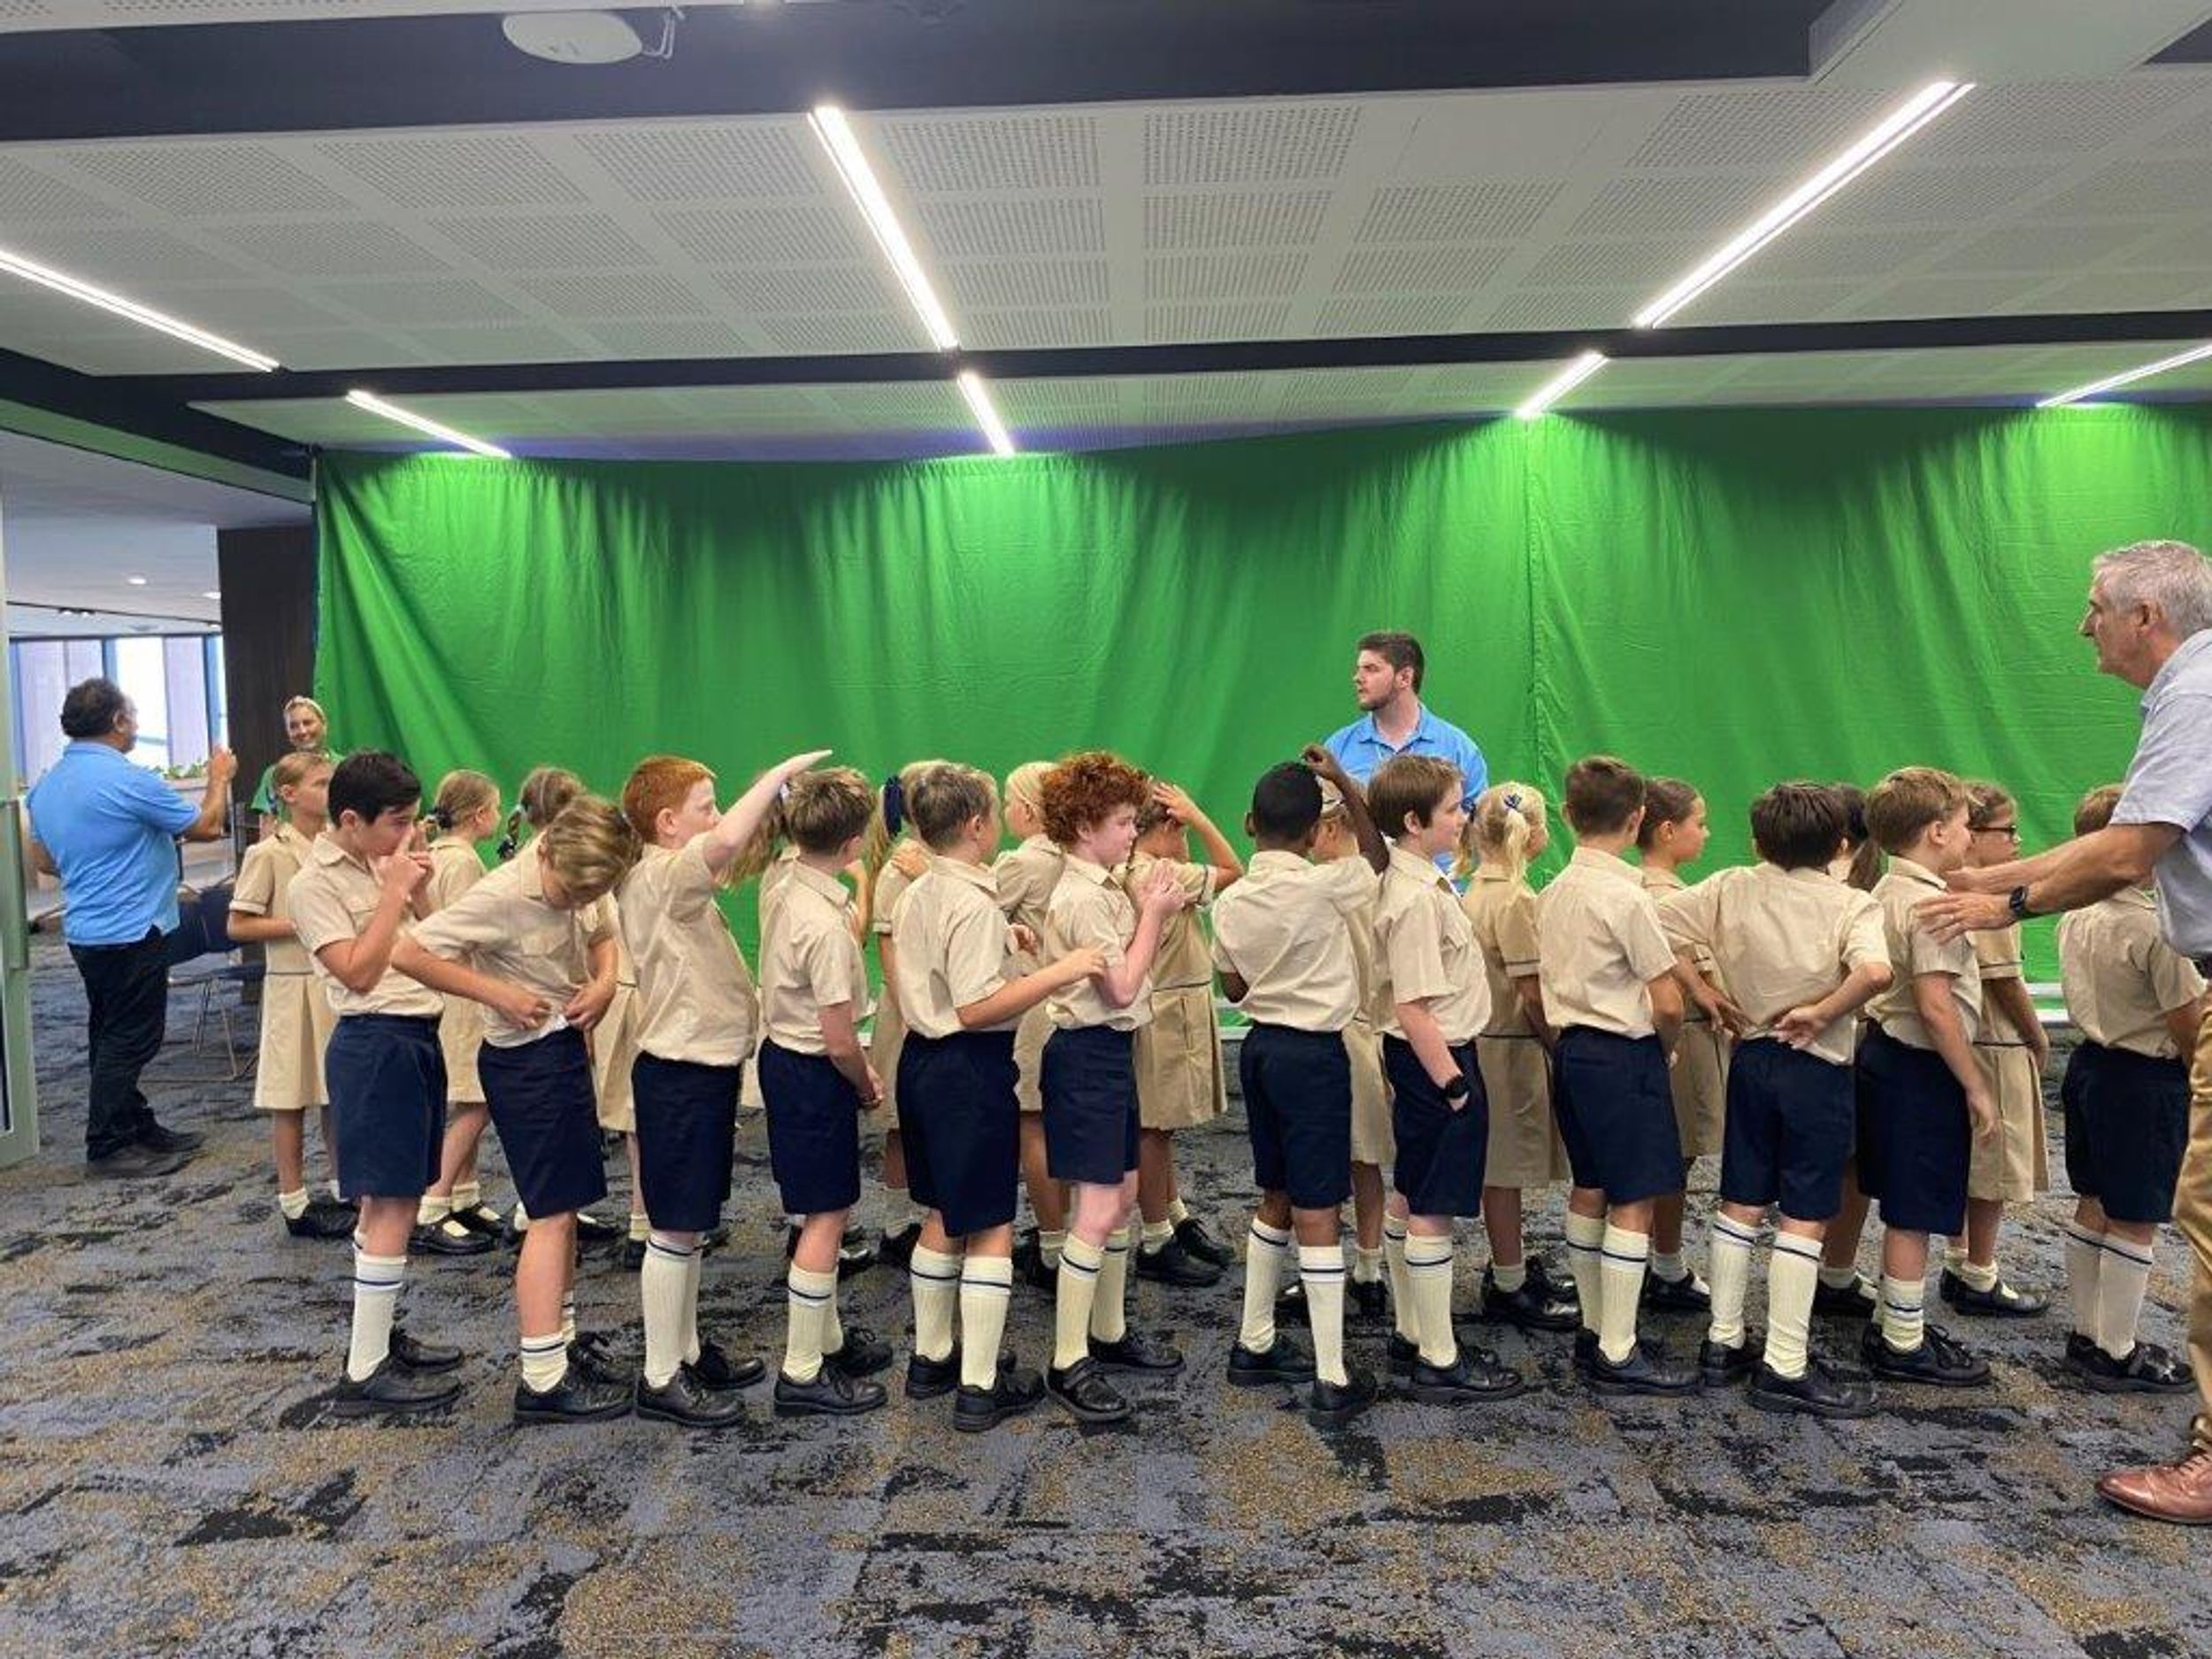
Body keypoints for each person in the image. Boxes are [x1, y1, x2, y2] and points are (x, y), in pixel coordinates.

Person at [1923, 540, 2212, 1522]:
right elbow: (2116, 842)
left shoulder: (2193, 694)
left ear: (2145, 617)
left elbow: (2128, 851)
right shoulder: (2187, 692)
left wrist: (2003, 903)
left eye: (2095, 608)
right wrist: (1993, 878)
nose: (2084, 624)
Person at [288, 751, 546, 1417]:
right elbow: (358, 972)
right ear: (352, 820)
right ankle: (365, 1371)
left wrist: (416, 887)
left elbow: (434, 945)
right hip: (374, 1043)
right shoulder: (313, 883)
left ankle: (374, 1340)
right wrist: (393, 894)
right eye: (397, 822)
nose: (410, 833)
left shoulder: (386, 860)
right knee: (393, 1204)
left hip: (414, 1038)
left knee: (390, 1200)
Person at [1655, 781, 1893, 1417]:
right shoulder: (1852, 903)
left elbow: (1651, 922)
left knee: (1740, 1200)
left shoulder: (1730, 885)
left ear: (1758, 842)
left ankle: (1723, 1340)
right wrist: (1824, 1010)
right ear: (1841, 844)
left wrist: (1702, 989)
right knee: (1805, 1212)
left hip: (1753, 1056)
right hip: (1817, 1066)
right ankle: (1785, 1363)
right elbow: (1875, 972)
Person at [408, 795, 641, 1425]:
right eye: (572, 892)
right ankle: (541, 1376)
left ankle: (562, 1345)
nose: (578, 903)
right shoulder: (501, 894)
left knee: (566, 1212)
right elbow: (411, 952)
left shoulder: (585, 867)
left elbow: (604, 937)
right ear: (550, 857)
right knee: (549, 1216)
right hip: (524, 1063)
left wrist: (603, 984)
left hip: (562, 1049)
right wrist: (496, 993)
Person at [891, 763, 1101, 1432]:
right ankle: (979, 1387)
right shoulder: (975, 904)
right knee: (989, 1225)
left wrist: (1007, 943)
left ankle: (932, 1358)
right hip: (968, 1070)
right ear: (978, 825)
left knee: (943, 1210)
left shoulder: (919, 891)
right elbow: (977, 1007)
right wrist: (1058, 971)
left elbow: (939, 968)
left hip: (921, 1062)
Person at [618, 749, 820, 1427]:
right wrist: (776, 773)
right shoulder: (664, 874)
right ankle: (660, 1375)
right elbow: (729, 841)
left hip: (699, 1069)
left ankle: (686, 1349)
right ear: (668, 822)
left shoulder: (673, 874)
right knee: (674, 1228)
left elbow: (737, 848)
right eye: (706, 806)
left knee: (690, 1222)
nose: (717, 816)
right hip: (679, 1071)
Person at [1212, 748, 1387, 1429]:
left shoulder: (1231, 899)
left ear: (1250, 823)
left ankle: (1254, 1339)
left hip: (1261, 1051)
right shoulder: (1326, 886)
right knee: (1318, 1208)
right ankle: (1331, 1372)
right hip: (1315, 1054)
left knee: (1276, 1194)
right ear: (1317, 832)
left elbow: (1233, 986)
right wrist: (1344, 780)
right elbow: (1377, 856)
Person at [27, 677, 236, 1178]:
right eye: (134, 716)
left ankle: (135, 1125)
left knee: (109, 1033)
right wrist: (219, 777)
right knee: (131, 1039)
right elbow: (207, 826)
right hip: (133, 929)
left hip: (86, 931)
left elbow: (46, 861)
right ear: (118, 721)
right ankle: (106, 1145)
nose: (137, 725)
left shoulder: (46, 786)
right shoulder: (129, 780)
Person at [1036, 752, 1192, 1425]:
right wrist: (1153, 912)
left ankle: (1107, 1331)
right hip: (1086, 1057)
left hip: (1110, 1053)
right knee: (1098, 1210)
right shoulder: (1080, 897)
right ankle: (1068, 1359)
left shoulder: (1099, 886)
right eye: (1124, 822)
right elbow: (1122, 987)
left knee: (1123, 1196)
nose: (1134, 833)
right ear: (1084, 826)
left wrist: (1144, 903)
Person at [1369, 755, 1524, 1406]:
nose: (1464, 817)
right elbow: (1413, 1007)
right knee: (1432, 1207)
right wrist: (1455, 1085)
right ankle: (1438, 1356)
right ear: (1413, 821)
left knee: (1411, 1193)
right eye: (1454, 808)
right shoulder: (1415, 900)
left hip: (1431, 1057)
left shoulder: (1419, 880)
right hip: (1438, 1060)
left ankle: (1413, 1331)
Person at [1538, 755, 1694, 1397]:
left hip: (1572, 1052)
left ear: (1567, 815)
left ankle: (1597, 1326)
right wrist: (1666, 1048)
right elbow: (1669, 1001)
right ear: (1637, 820)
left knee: (1591, 1185)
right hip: (1624, 1053)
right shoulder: (1628, 897)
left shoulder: (1551, 891)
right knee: (1635, 1198)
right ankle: (1619, 1348)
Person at [2055, 783, 2201, 1395]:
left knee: (2093, 1198)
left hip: (2089, 1065)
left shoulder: (2073, 914)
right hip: (2146, 1078)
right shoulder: (2156, 930)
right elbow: (2187, 1023)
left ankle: (2087, 1334)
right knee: (2136, 1214)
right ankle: (2118, 1349)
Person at [1855, 767, 1996, 1389]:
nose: (1970, 836)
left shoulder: (1884, 888)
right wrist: (1975, 1083)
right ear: (1937, 831)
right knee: (1914, 1207)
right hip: (1921, 1066)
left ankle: (1894, 1317)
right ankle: (1902, 1341)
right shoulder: (1932, 904)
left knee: (1899, 1196)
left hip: (1886, 1056)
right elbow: (1937, 1006)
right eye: (1965, 825)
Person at [1458, 784, 1578, 1333]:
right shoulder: (1515, 900)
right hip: (1508, 1051)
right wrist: (1560, 1049)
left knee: (1498, 1169)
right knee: (1504, 1170)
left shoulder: (1474, 892)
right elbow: (1531, 995)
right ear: (1530, 836)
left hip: (1486, 1041)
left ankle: (1512, 1266)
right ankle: (1508, 1282)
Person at [227, 751, 352, 1238]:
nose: (330, 791)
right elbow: (239, 924)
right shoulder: (269, 853)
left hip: (332, 982)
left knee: (337, 1093)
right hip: (291, 984)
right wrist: (303, 922)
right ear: (288, 793)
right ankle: (294, 1200)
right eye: (320, 784)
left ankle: (344, 1188)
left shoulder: (334, 844)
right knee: (290, 1097)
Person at [1940, 781, 2050, 1318]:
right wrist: (2037, 1035)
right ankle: (1979, 1272)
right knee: (1994, 1165)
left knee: (1970, 1158)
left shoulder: (1939, 885)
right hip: (1996, 1039)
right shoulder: (1987, 900)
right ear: (1975, 835)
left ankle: (1958, 1257)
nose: (2017, 841)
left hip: (1964, 1040)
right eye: (2008, 831)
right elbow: (2004, 978)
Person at [1128, 780, 1242, 1289]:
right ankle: (1156, 1239)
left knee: (1163, 1125)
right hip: (1167, 1009)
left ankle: (1173, 1217)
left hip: (1171, 1003)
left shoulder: (1150, 867)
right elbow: (1233, 869)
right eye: (1179, 829)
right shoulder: (1163, 873)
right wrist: (1198, 816)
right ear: (1166, 826)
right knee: (1154, 1126)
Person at [411, 772, 503, 1257]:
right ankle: (433, 1203)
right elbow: (468, 931)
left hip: (447, 991)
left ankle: (464, 1197)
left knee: (468, 1095)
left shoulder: (440, 855)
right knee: (477, 1102)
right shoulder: (464, 862)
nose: (499, 815)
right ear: (479, 815)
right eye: (496, 807)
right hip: (465, 994)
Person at [1637, 779, 1720, 1315]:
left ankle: (1655, 1260)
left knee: (1668, 1158)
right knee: (1672, 1157)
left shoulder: (1645, 888)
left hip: (1673, 1035)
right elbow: (1687, 974)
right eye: (1700, 823)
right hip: (1678, 1039)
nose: (1706, 833)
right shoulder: (1663, 897)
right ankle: (1663, 1264)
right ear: (1668, 831)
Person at [1322, 631, 1488, 813]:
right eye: (1358, 669)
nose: (1357, 678)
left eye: (1371, 669)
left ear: (1405, 678)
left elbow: (1478, 825)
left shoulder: (1459, 750)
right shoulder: (1338, 748)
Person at [250, 695, 334, 837]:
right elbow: (267, 827)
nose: (302, 731)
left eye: (308, 723)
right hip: (290, 848)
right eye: (293, 726)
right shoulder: (275, 774)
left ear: (324, 724)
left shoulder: (345, 768)